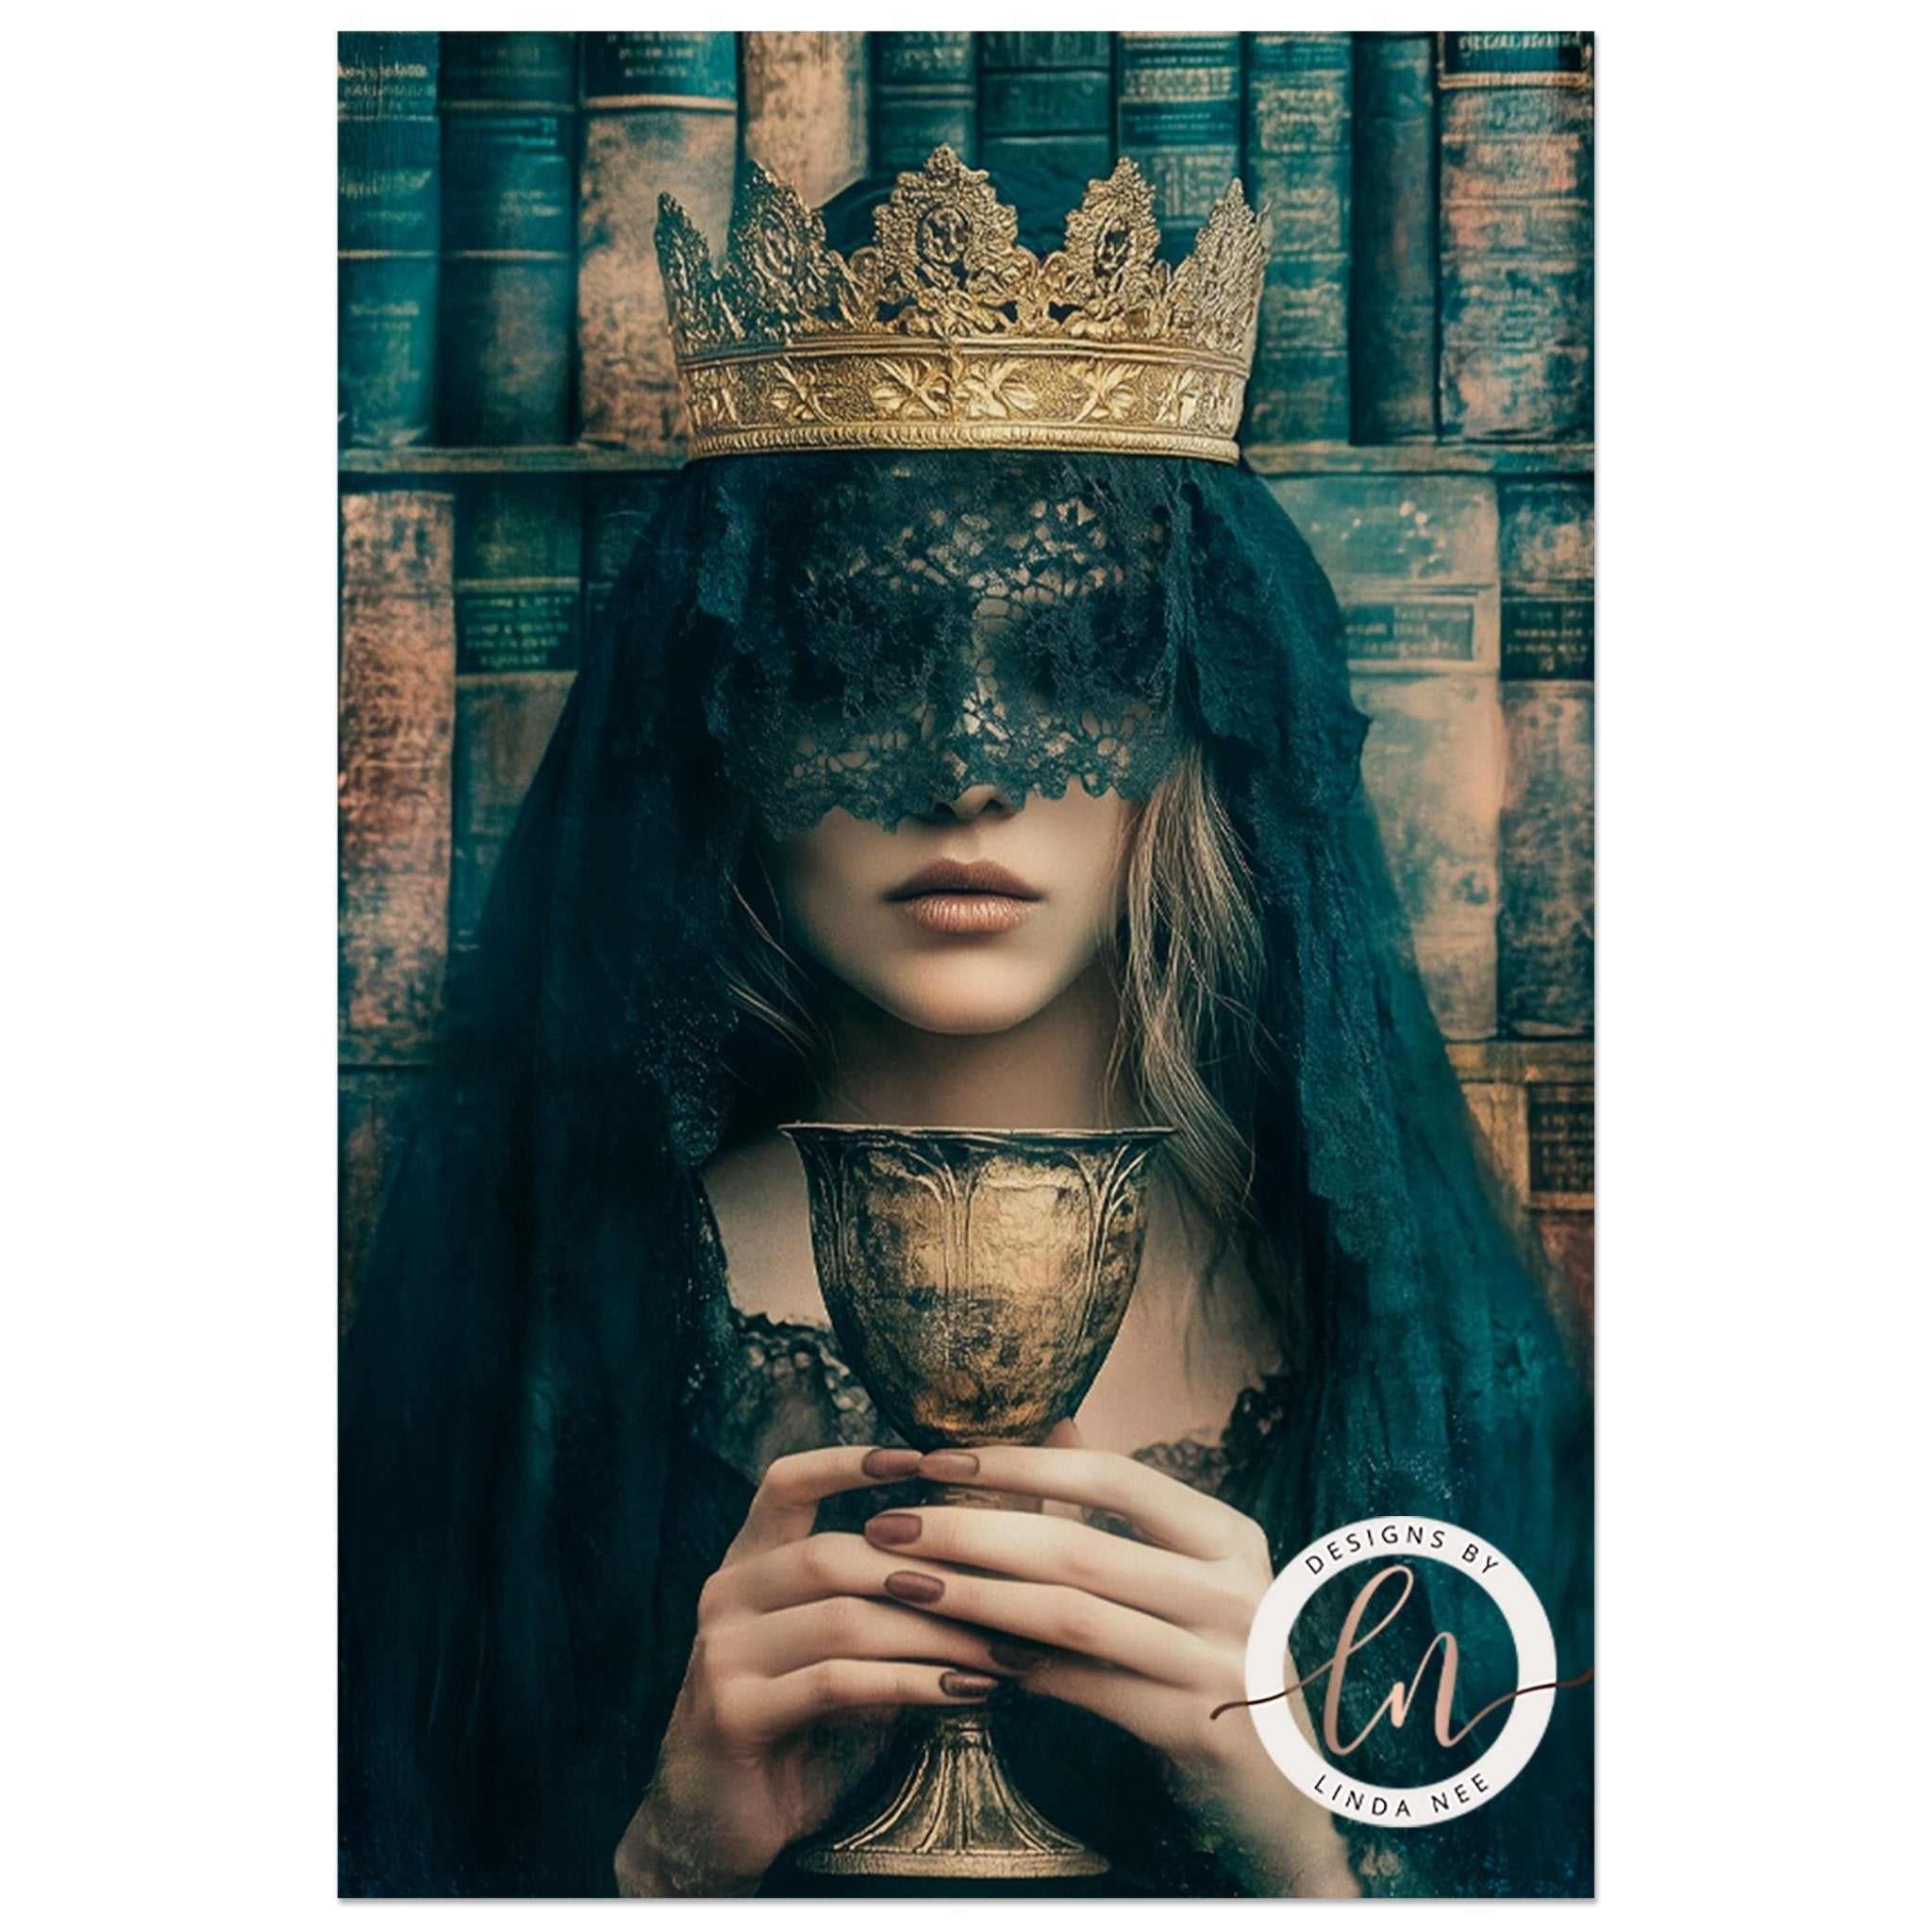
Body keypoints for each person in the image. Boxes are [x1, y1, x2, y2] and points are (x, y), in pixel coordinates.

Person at [338, 152, 1592, 1900]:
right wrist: (668, 1858)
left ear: (1207, 716)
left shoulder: (1414, 1354)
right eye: (853, 660)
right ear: (717, 715)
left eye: (1075, 658)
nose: (971, 765)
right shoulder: (536, 1333)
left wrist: (1306, 1847)